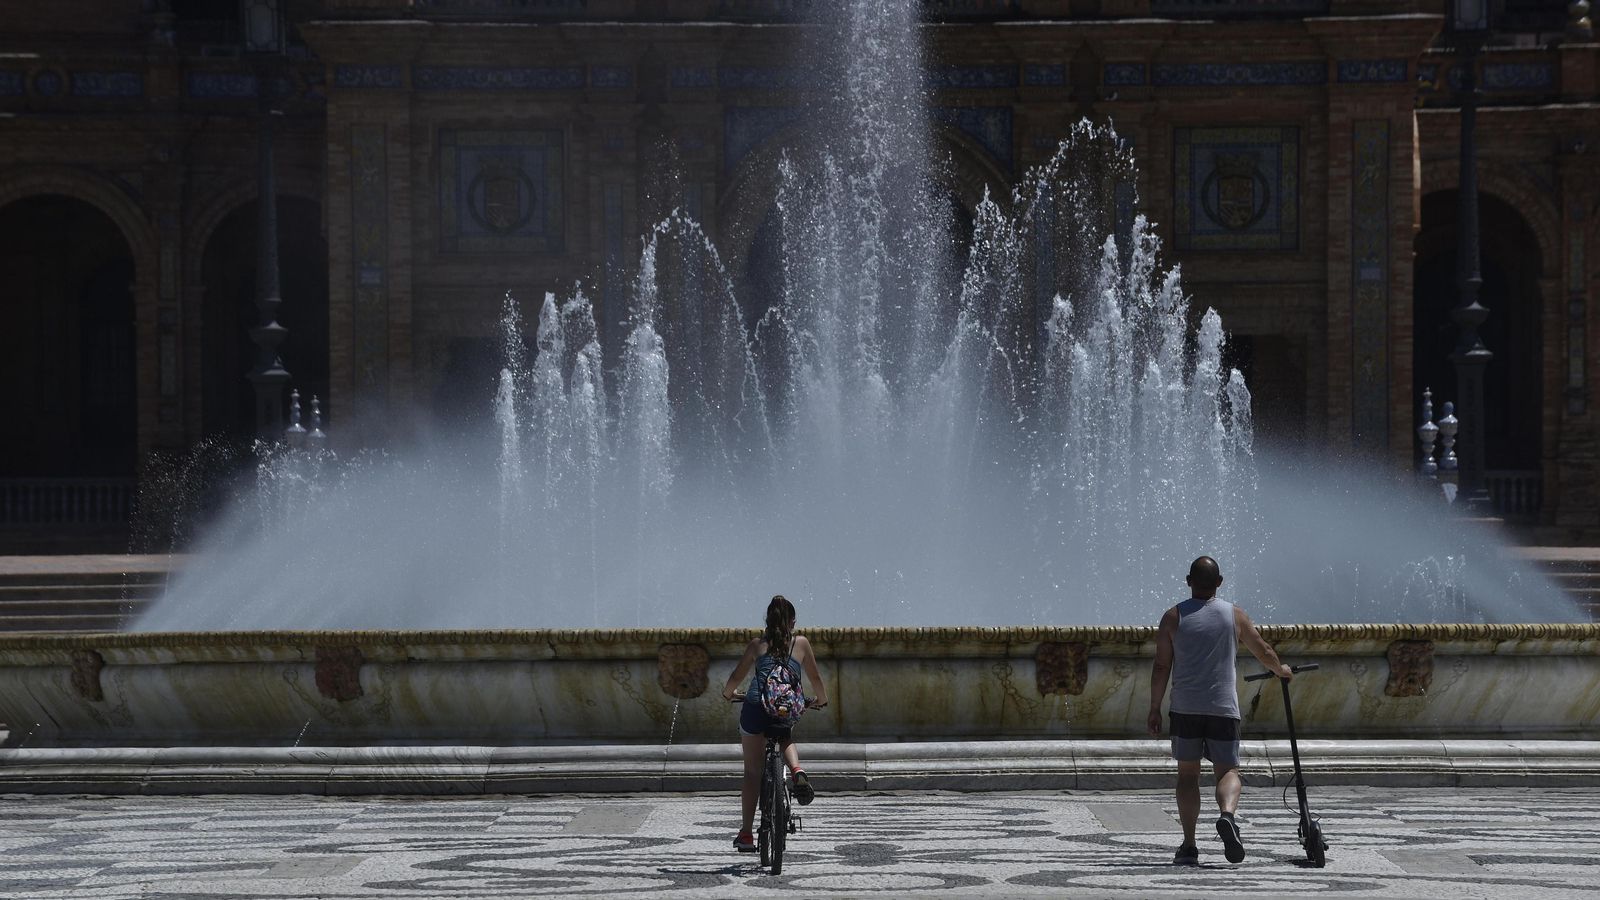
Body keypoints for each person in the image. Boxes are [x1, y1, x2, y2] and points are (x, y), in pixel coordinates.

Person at [1147, 556, 1290, 866]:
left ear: (1188, 581)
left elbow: (1161, 666)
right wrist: (1281, 670)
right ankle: (1227, 815)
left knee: (1187, 775)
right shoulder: (1234, 615)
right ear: (1220, 582)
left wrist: (1154, 707)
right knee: (1227, 771)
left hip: (1185, 708)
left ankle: (1188, 844)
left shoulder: (1173, 617)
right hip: (1223, 708)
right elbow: (1263, 650)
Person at [720, 594, 829, 853]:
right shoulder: (801, 644)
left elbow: (736, 676)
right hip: (785, 707)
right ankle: (797, 771)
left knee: (752, 772)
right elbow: (815, 678)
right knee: (784, 734)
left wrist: (728, 694)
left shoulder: (756, 645)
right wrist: (820, 701)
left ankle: (746, 834)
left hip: (756, 705)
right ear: (792, 622)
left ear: (767, 621)